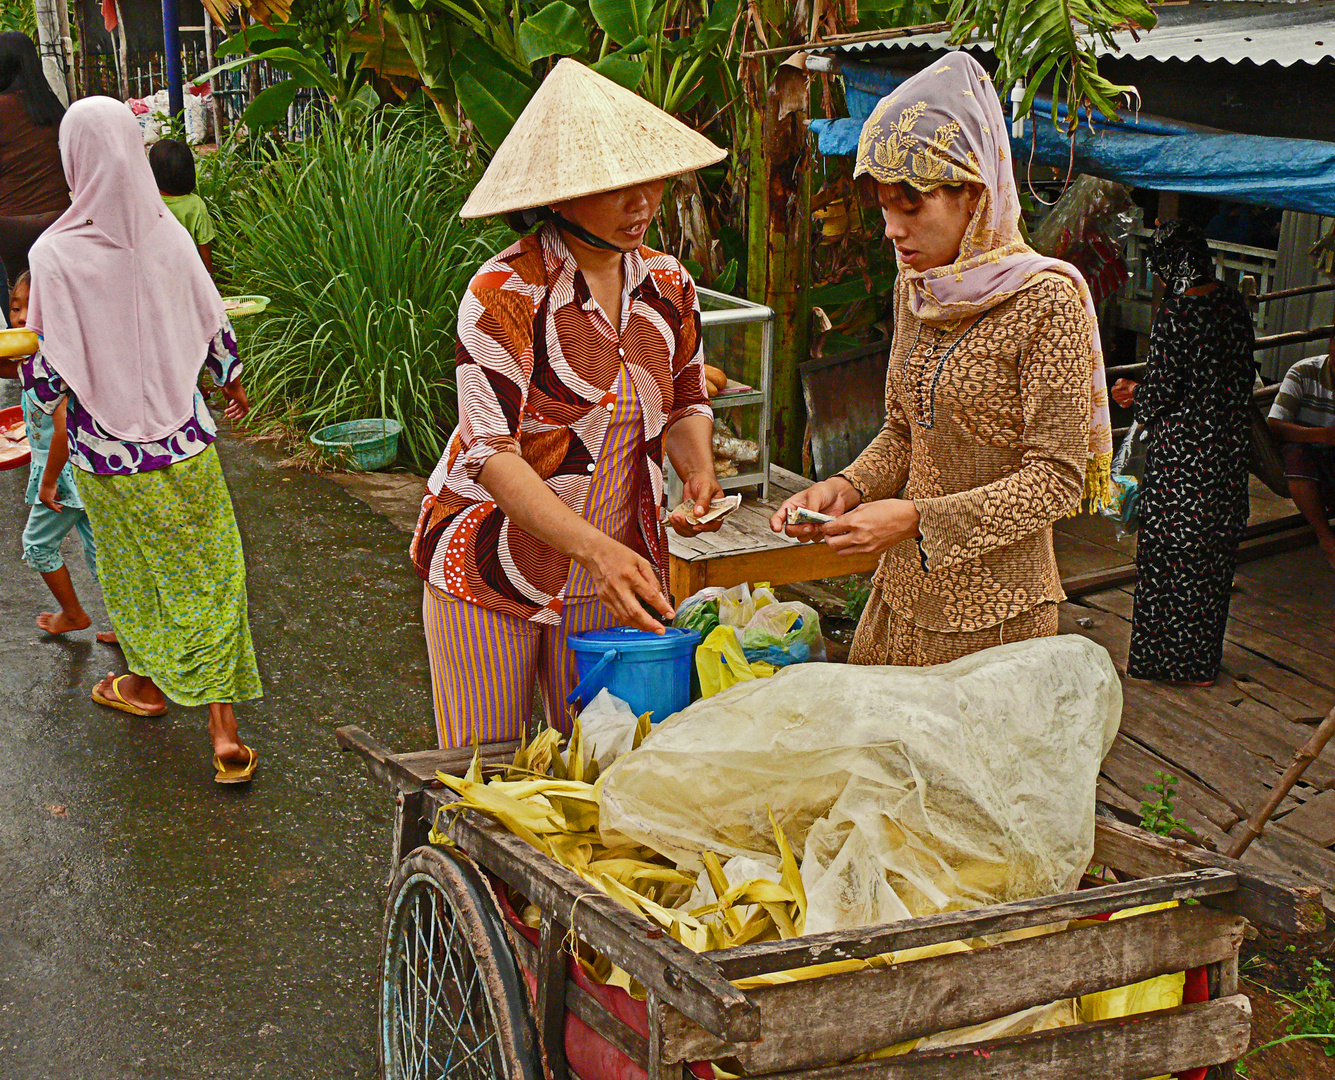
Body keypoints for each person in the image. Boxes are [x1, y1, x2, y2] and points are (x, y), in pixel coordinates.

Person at [411, 59, 728, 748]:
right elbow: (490, 453)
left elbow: (684, 402)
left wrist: (697, 469)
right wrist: (593, 551)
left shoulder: (668, 287)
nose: (640, 202)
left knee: (603, 763)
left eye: (648, 180)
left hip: (613, 570)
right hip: (489, 565)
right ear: (559, 194)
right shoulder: (505, 292)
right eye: (614, 186)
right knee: (485, 770)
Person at [771, 52, 1111, 667]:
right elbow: (904, 432)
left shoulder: (1046, 301)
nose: (891, 231)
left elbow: (1056, 481)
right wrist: (845, 487)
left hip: (996, 616)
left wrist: (916, 521)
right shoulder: (918, 290)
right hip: (899, 598)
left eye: (911, 206)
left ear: (973, 194)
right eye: (883, 207)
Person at [26, 97, 261, 785]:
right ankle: (224, 734)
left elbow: (46, 376)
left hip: (107, 456)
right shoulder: (168, 234)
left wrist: (35, 392)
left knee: (138, 578)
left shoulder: (54, 254)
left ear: (72, 160)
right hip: (186, 443)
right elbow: (211, 322)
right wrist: (230, 380)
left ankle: (150, 688)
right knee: (212, 577)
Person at [1110, 220, 1255, 685]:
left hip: (1183, 463)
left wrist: (1136, 390)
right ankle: (1202, 665)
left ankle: (1166, 663)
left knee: (1168, 560)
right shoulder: (1233, 303)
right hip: (1228, 454)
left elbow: (1161, 396)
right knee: (1210, 561)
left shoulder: (1176, 315)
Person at [0, 270, 115, 640]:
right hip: (88, 473)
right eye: (14, 308)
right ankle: (132, 628)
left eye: (29, 309)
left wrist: (47, 483)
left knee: (37, 544)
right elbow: (15, 370)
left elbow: (64, 430)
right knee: (101, 555)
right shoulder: (45, 358)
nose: (19, 318)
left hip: (63, 478)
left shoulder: (55, 365)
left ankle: (73, 614)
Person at [0, 32, 69, 312]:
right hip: (59, 218)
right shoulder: (54, 109)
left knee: (18, 299)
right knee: (55, 296)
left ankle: (19, 353)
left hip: (11, 225)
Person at [1266, 334, 1335, 571]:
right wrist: (1321, 435)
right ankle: (1327, 539)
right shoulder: (1304, 372)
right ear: (1331, 344)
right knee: (1297, 455)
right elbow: (1274, 426)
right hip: (1305, 452)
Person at [148, 138, 215, 275]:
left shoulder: (148, 201)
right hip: (188, 274)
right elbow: (204, 247)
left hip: (155, 273)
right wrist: (209, 280)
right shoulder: (195, 205)